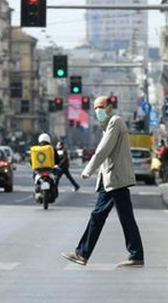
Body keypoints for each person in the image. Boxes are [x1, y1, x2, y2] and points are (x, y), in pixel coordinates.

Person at [61, 95, 144, 267]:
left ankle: (83, 253)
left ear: (109, 107)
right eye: (95, 107)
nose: (97, 110)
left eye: (100, 106)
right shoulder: (107, 125)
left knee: (101, 216)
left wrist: (87, 170)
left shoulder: (115, 122)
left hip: (115, 179)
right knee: (117, 217)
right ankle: (135, 254)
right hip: (111, 179)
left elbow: (103, 150)